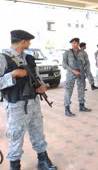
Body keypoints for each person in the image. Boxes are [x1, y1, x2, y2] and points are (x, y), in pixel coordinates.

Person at [0, 30, 57, 170]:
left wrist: (41, 85)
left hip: (33, 102)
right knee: (15, 135)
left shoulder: (29, 58)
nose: (30, 44)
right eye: (28, 41)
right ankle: (14, 165)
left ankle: (43, 159)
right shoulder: (3, 58)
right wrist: (12, 74)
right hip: (16, 105)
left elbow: (36, 76)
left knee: (37, 131)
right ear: (23, 42)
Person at [63, 38, 92, 117]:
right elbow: (64, 64)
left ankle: (81, 106)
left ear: (78, 43)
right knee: (68, 91)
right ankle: (67, 109)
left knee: (81, 89)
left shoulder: (83, 53)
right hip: (71, 74)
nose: (74, 44)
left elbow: (87, 64)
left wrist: (86, 73)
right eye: (72, 43)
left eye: (75, 43)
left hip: (81, 74)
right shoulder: (67, 53)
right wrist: (72, 70)